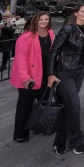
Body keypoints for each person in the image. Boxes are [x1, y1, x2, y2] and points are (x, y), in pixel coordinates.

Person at [47, 4, 84, 156]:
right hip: (64, 73)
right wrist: (50, 74)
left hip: (79, 72)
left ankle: (60, 141)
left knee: (69, 107)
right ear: (76, 13)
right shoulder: (68, 28)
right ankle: (76, 141)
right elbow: (53, 51)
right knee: (75, 106)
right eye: (83, 11)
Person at [11, 12, 54, 143]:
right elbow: (20, 59)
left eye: (46, 19)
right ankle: (21, 133)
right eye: (41, 19)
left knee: (43, 103)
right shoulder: (26, 37)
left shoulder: (50, 33)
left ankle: (39, 126)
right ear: (35, 20)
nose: (44, 21)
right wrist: (25, 78)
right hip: (29, 77)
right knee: (25, 106)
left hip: (44, 75)